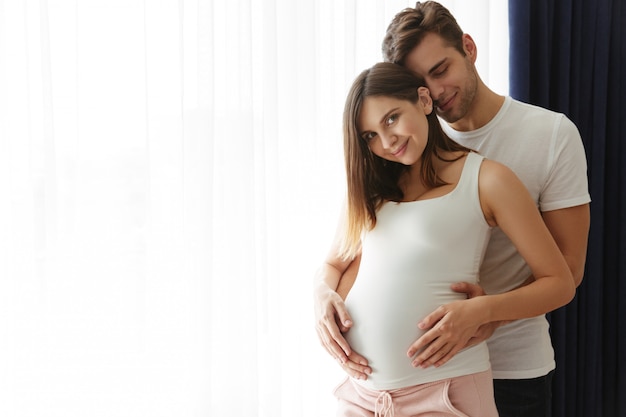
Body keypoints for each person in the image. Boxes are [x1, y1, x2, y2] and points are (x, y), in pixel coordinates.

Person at [314, 2, 591, 417]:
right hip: (379, 389)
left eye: (441, 69)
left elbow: (566, 272)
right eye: (373, 132)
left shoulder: (542, 139)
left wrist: (486, 313)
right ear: (417, 95)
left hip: (505, 366)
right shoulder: (400, 158)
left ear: (469, 47)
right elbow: (350, 258)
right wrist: (322, 295)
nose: (437, 90)